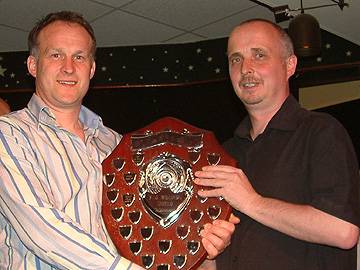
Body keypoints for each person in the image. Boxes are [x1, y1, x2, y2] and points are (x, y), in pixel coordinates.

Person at [0, 11, 237, 269]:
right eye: (56, 55)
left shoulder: (117, 145)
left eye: (79, 57)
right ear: (33, 65)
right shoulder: (10, 133)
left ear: (91, 69)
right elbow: (40, 227)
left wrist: (201, 243)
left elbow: (150, 233)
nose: (68, 67)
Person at [194, 19, 360, 270]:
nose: (245, 68)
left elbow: (343, 231)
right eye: (235, 59)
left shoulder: (320, 131)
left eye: (259, 55)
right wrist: (210, 254)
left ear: (289, 65)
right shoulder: (222, 153)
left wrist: (251, 202)